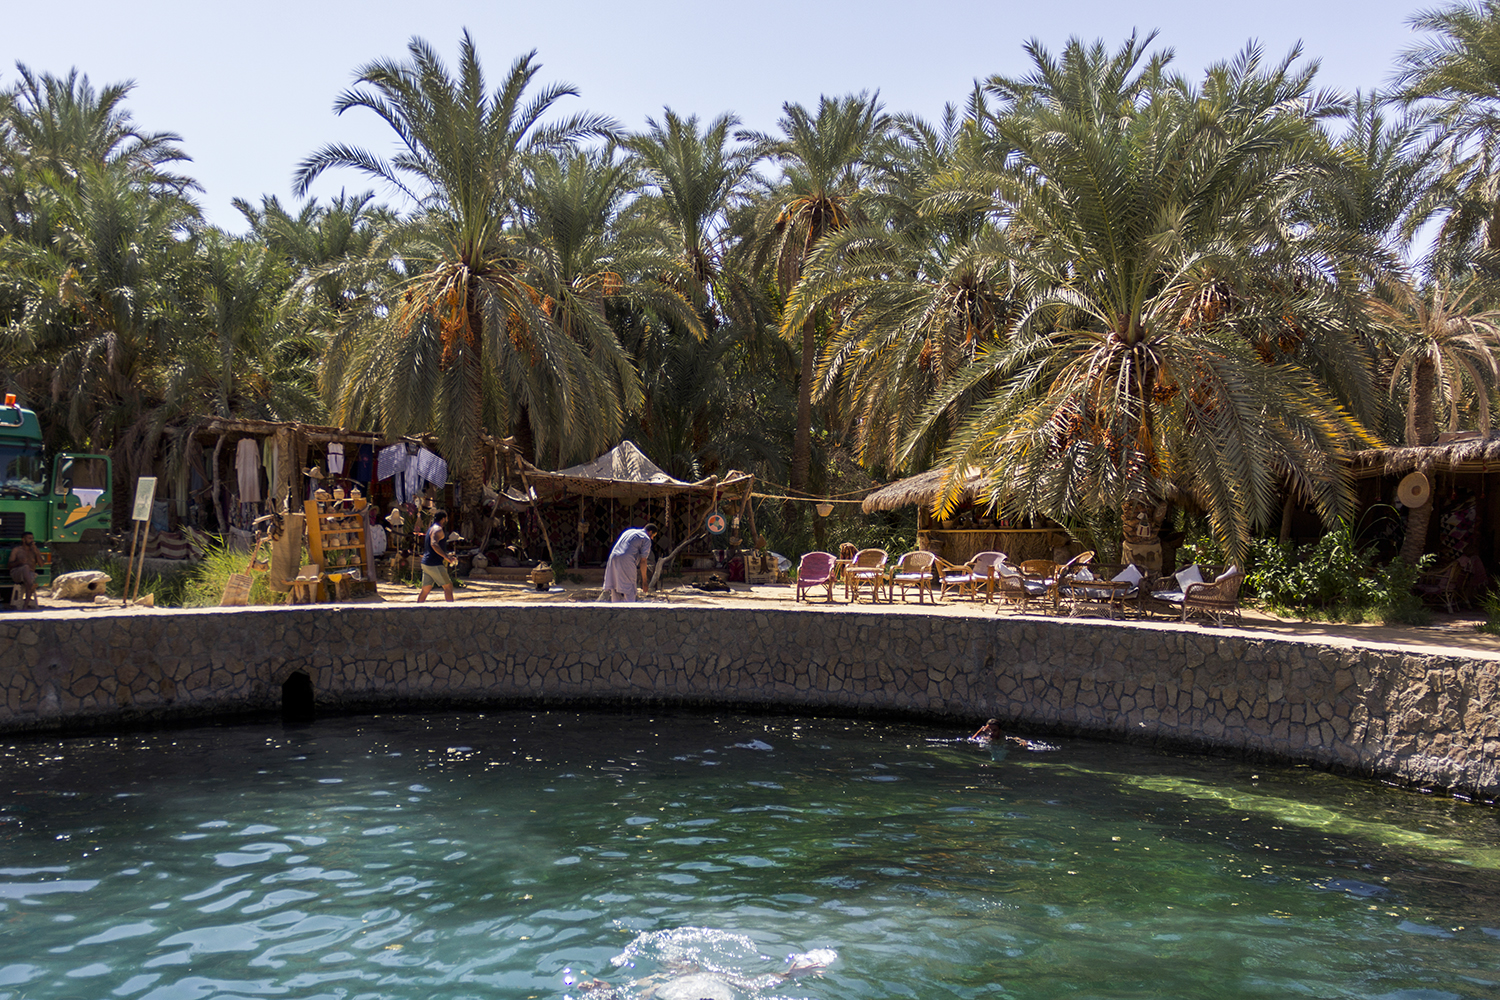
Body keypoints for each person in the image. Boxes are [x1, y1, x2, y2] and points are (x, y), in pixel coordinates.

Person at [602, 523, 657, 603]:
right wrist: (644, 581)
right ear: (650, 532)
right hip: (627, 560)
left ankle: (615, 612)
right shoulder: (646, 538)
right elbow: (643, 561)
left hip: (613, 558)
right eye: (653, 536)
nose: (652, 538)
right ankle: (630, 612)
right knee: (630, 589)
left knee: (615, 587)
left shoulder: (629, 531)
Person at [417, 510, 455, 603]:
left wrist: (446, 555)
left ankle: (416, 609)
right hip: (434, 564)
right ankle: (452, 612)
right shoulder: (438, 529)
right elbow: (433, 544)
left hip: (426, 563)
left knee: (426, 589)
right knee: (448, 586)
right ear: (443, 519)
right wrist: (446, 557)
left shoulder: (431, 528)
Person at [8, 532, 41, 610]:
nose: (31, 540)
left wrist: (36, 553)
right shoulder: (17, 550)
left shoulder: (35, 550)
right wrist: (19, 562)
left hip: (30, 574)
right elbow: (9, 565)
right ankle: (31, 586)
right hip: (17, 573)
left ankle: (25, 605)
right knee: (26, 567)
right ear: (23, 539)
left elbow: (41, 564)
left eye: (32, 538)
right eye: (29, 538)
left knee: (28, 579)